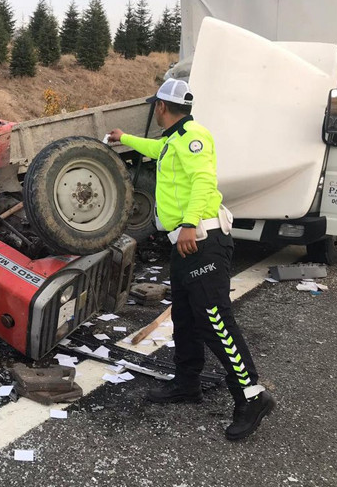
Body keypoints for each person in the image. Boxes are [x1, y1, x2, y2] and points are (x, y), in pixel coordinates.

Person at [108, 79, 275, 441]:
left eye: (156, 106)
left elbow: (203, 179)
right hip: (186, 244)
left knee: (213, 318)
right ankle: (187, 382)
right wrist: (125, 137)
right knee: (185, 316)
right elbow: (156, 148)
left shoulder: (194, 136)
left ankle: (251, 395)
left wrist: (188, 222)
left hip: (203, 239)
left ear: (162, 108)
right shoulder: (173, 140)